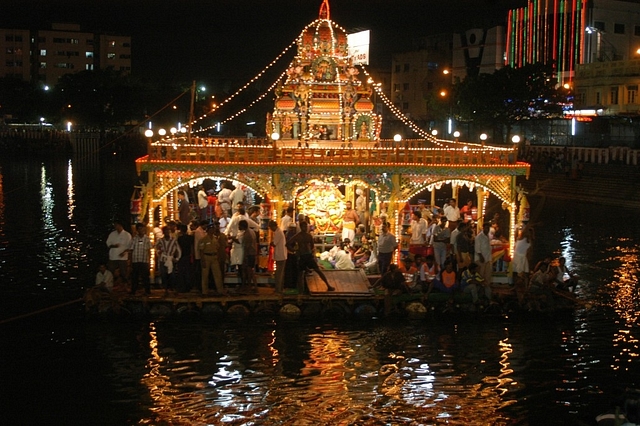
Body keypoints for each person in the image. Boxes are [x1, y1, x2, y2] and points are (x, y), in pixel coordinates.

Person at [286, 221, 335, 292]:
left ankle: (328, 285)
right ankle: (301, 290)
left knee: (317, 271)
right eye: (303, 227)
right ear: (301, 227)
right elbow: (288, 244)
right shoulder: (299, 236)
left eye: (306, 227)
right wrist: (294, 250)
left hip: (307, 255)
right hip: (303, 256)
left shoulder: (307, 236)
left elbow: (312, 246)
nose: (305, 228)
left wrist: (295, 250)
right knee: (301, 274)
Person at [198, 224, 225, 295]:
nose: (213, 230)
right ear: (208, 230)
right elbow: (201, 251)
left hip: (214, 257)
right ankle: (204, 291)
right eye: (211, 229)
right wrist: (202, 260)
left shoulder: (215, 239)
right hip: (206, 257)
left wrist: (218, 257)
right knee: (205, 275)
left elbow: (218, 248)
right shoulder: (203, 239)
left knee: (217, 274)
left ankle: (220, 290)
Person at [155, 225, 181, 294]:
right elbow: (155, 246)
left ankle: (171, 287)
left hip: (170, 259)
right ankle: (165, 288)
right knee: (163, 274)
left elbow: (179, 250)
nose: (167, 232)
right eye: (165, 231)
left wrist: (177, 258)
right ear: (163, 232)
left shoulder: (173, 240)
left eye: (167, 231)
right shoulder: (160, 240)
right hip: (162, 259)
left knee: (171, 274)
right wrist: (158, 252)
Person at [106, 219, 132, 287]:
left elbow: (130, 246)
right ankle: (110, 285)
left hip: (122, 257)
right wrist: (113, 246)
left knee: (123, 272)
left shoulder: (127, 235)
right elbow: (108, 244)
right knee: (111, 271)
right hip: (113, 256)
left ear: (120, 225)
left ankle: (125, 286)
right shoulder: (112, 234)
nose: (115, 227)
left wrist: (124, 252)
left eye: (116, 225)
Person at [128, 223, 151, 295]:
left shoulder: (147, 239)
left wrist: (149, 261)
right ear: (137, 230)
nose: (142, 230)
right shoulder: (134, 239)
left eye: (143, 229)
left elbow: (149, 250)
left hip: (144, 260)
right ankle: (133, 290)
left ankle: (147, 291)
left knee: (145, 277)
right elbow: (131, 250)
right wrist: (130, 262)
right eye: (140, 229)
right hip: (136, 260)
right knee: (135, 277)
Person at [239, 219, 258, 292]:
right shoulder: (251, 231)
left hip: (249, 254)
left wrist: (244, 257)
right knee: (251, 271)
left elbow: (247, 247)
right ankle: (254, 286)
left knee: (248, 271)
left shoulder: (247, 234)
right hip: (252, 253)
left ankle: (249, 287)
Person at [269, 220, 287, 293]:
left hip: (280, 256)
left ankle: (278, 290)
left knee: (279, 274)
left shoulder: (278, 233)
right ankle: (279, 289)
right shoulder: (278, 232)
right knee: (280, 273)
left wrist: (270, 243)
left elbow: (274, 244)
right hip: (281, 255)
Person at [175, 223, 194, 293]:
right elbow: (192, 248)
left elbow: (177, 248)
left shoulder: (179, 239)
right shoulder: (190, 238)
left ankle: (182, 287)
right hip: (188, 256)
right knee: (188, 272)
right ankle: (188, 286)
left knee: (181, 272)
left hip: (181, 256)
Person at [474, 222, 493, 287]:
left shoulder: (487, 236)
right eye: (486, 228)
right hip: (481, 259)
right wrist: (481, 257)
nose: (487, 229)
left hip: (487, 259)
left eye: (488, 228)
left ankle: (486, 289)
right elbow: (477, 249)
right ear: (483, 228)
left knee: (487, 276)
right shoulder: (479, 237)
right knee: (481, 276)